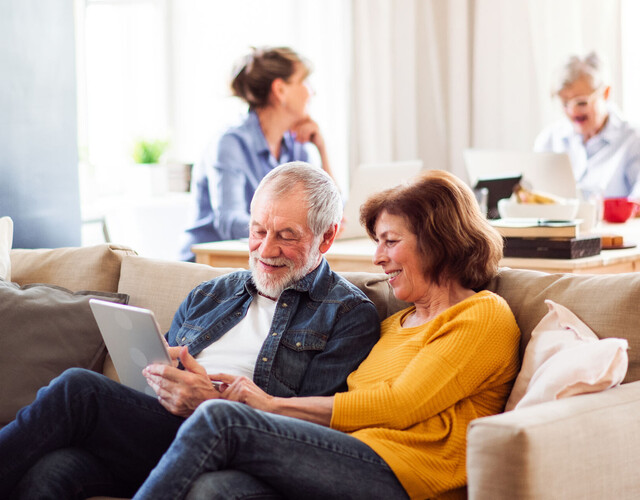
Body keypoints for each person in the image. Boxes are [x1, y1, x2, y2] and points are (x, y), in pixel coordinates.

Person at [132, 170, 522, 500]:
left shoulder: (482, 315)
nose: (377, 257)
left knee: (222, 417)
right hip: (343, 458)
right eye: (377, 242)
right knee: (215, 488)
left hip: (407, 477)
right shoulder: (393, 327)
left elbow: (400, 405)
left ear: (438, 242)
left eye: (390, 241)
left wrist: (269, 406)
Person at [0, 162, 379, 499]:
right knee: (53, 470)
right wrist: (162, 375)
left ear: (326, 238)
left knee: (78, 389)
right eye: (258, 230)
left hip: (237, 446)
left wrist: (213, 400)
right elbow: (157, 370)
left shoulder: (348, 314)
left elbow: (309, 432)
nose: (266, 249)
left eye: (286, 235)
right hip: (161, 428)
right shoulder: (210, 294)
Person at [180, 46, 336, 261]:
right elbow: (228, 221)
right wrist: (290, 232)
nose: (312, 91)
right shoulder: (230, 143)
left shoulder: (296, 146)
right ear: (280, 90)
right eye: (304, 82)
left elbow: (333, 213)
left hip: (266, 261)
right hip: (210, 266)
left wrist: (322, 148)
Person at [534, 52, 640, 200]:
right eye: (565, 104)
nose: (573, 111)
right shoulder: (549, 139)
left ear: (605, 93)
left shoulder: (633, 140)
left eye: (582, 103)